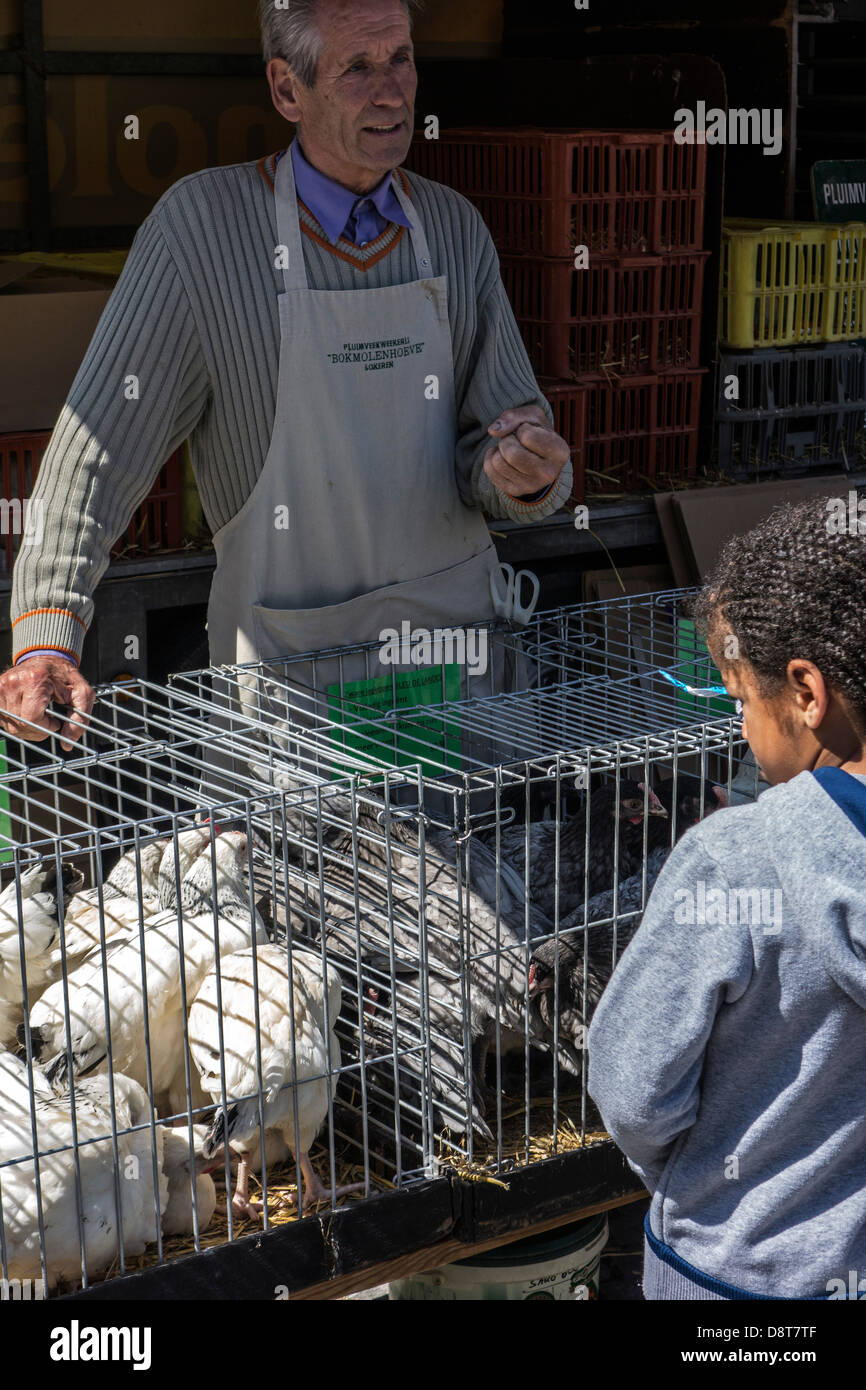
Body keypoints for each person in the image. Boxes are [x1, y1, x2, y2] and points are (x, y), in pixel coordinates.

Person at [1, 0, 571, 751]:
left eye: (400, 57)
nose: (393, 91)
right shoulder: (203, 230)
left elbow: (495, 447)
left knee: (473, 869)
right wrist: (46, 631)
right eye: (358, 67)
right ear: (286, 90)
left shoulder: (455, 229)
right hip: (293, 703)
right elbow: (99, 446)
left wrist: (526, 471)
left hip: (453, 680)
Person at [588, 494, 866, 1300]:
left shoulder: (739, 860)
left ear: (807, 693)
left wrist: (699, 1171)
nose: (740, 725)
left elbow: (635, 1091)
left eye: (743, 701)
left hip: (737, 1278)